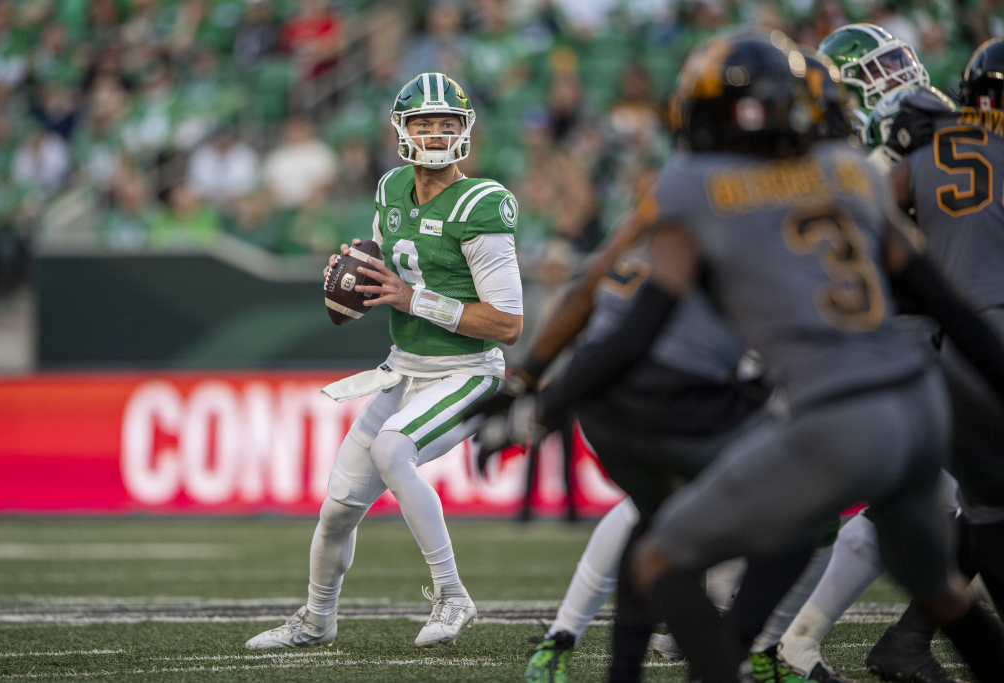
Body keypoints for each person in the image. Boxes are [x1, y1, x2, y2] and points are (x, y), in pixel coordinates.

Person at [490, 33, 1004, 683]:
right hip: (921, 407)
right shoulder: (849, 172)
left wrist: (538, 402)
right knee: (945, 599)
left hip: (838, 416)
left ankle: (727, 659)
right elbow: (950, 302)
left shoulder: (699, 186)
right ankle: (750, 646)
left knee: (656, 560)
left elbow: (633, 327)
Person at [245, 73, 523, 650]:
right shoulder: (392, 188)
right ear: (402, 130)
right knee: (338, 509)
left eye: (448, 123)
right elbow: (385, 270)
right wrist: (357, 279)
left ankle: (452, 594)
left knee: (394, 449)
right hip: (405, 367)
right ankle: (318, 620)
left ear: (466, 131)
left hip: (468, 371)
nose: (438, 133)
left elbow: (508, 325)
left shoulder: (482, 203)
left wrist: (412, 297)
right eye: (425, 122)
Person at [781, 38, 1004, 683]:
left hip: (922, 321)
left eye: (892, 64)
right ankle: (754, 626)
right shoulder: (839, 145)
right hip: (884, 325)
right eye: (872, 73)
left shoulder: (917, 124)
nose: (892, 78)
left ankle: (804, 634)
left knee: (941, 495)